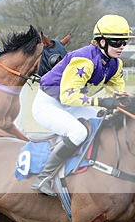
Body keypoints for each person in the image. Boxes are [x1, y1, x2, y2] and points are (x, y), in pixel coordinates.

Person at [30, 14, 134, 196]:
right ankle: (44, 177)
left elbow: (118, 93)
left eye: (124, 42)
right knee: (79, 132)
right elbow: (68, 97)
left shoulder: (115, 64)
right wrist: (101, 101)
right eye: (117, 42)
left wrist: (125, 101)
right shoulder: (84, 61)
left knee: (102, 125)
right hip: (48, 104)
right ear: (102, 42)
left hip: (72, 104)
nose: (122, 46)